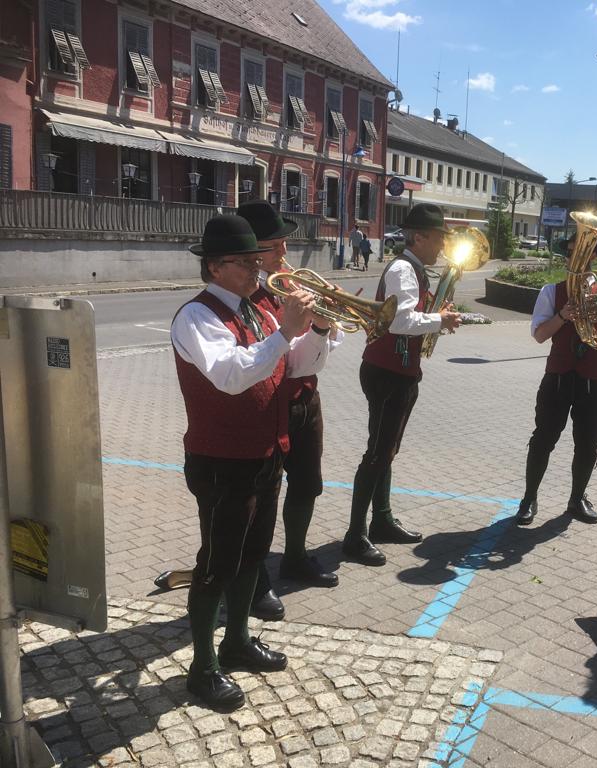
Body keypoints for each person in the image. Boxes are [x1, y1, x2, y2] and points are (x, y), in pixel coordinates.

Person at [171, 214, 334, 711]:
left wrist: (317, 330)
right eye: (244, 263)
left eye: (254, 260)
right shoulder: (197, 316)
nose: (256, 269)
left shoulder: (258, 309)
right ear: (215, 267)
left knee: (253, 555)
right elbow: (230, 375)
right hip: (222, 460)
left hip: (266, 452)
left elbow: (297, 364)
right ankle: (202, 669)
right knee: (216, 565)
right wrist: (285, 333)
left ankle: (237, 641)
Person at [238, 201, 342, 622]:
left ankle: (296, 556)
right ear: (251, 251)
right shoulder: (250, 298)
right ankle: (255, 578)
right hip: (272, 403)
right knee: (263, 496)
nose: (285, 251)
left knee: (308, 483)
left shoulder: (288, 286)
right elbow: (289, 362)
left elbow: (317, 356)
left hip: (305, 399)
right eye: (275, 244)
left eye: (284, 242)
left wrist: (323, 324)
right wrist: (310, 328)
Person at [342, 203, 462, 566]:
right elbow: (399, 322)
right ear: (419, 238)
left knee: (387, 450)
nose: (442, 246)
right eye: (438, 238)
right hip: (388, 373)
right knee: (377, 452)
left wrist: (436, 315)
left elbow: (411, 317)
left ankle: (381, 519)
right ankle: (355, 535)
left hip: (399, 371)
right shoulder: (403, 270)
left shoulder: (413, 270)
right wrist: (438, 321)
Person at [515, 236, 597, 526]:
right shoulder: (551, 292)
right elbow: (539, 335)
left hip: (592, 379)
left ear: (594, 259)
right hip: (558, 377)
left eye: (584, 255)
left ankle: (577, 499)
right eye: (572, 254)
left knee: (588, 443)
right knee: (543, 439)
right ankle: (529, 498)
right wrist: (562, 316)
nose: (575, 260)